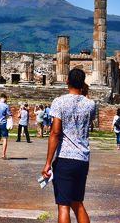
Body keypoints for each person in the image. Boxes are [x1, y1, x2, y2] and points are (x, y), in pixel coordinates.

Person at [41, 68, 96, 223]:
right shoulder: (91, 104)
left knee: (63, 205)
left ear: (66, 81)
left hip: (65, 157)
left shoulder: (59, 102)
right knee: (77, 202)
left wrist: (47, 163)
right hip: (83, 158)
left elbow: (55, 132)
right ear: (83, 83)